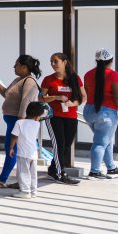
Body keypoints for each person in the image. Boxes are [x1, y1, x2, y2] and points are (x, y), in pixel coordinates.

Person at [0, 55, 42, 189]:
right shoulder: (19, 80)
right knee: (14, 151)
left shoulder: (29, 81)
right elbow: (6, 93)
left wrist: (20, 123)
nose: (14, 67)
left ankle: (2, 180)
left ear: (24, 67)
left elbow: (26, 102)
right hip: (13, 121)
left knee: (11, 150)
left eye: (16, 64)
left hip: (17, 121)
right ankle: (22, 181)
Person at [83, 48, 118, 179]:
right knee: (100, 142)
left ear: (96, 60)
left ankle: (111, 167)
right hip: (106, 113)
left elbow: (87, 92)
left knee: (105, 139)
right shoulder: (114, 75)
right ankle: (94, 172)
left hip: (89, 111)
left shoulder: (88, 74)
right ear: (111, 60)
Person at [41, 52, 84, 184]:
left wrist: (74, 103)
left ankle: (53, 169)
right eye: (51, 61)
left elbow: (83, 97)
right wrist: (56, 97)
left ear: (64, 62)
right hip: (54, 116)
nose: (53, 64)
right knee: (59, 144)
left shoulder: (75, 78)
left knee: (66, 145)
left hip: (71, 116)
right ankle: (60, 174)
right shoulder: (48, 79)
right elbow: (41, 98)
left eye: (55, 61)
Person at [8, 101, 48, 198]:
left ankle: (25, 192)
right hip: (33, 154)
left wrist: (11, 148)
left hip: (23, 153)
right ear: (37, 116)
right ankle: (33, 191)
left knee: (23, 173)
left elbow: (14, 136)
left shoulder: (19, 123)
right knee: (33, 174)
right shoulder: (37, 124)